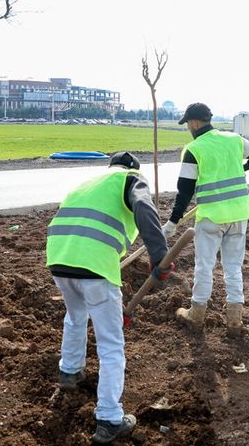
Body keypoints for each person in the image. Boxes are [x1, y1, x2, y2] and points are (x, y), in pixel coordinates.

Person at [46, 152, 172, 444]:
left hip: (59, 259)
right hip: (94, 266)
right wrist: (159, 255)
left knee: (76, 316)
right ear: (131, 169)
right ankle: (109, 418)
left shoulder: (88, 183)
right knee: (111, 344)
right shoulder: (130, 179)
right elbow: (143, 206)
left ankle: (69, 372)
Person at [164, 103, 249, 336]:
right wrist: (245, 167)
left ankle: (196, 316)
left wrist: (172, 222)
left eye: (187, 125)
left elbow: (185, 191)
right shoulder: (234, 139)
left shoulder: (194, 149)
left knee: (204, 266)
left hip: (211, 217)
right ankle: (234, 320)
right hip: (239, 214)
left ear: (193, 123)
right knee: (233, 268)